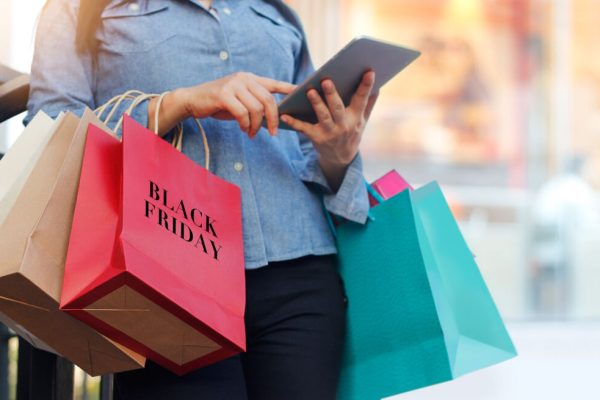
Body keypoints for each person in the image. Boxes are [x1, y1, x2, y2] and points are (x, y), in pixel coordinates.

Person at [26, 0, 378, 398]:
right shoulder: (77, 8)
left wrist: (340, 150)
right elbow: (52, 129)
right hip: (165, 277)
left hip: (300, 273)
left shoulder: (276, 12)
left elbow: (305, 151)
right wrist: (179, 102)